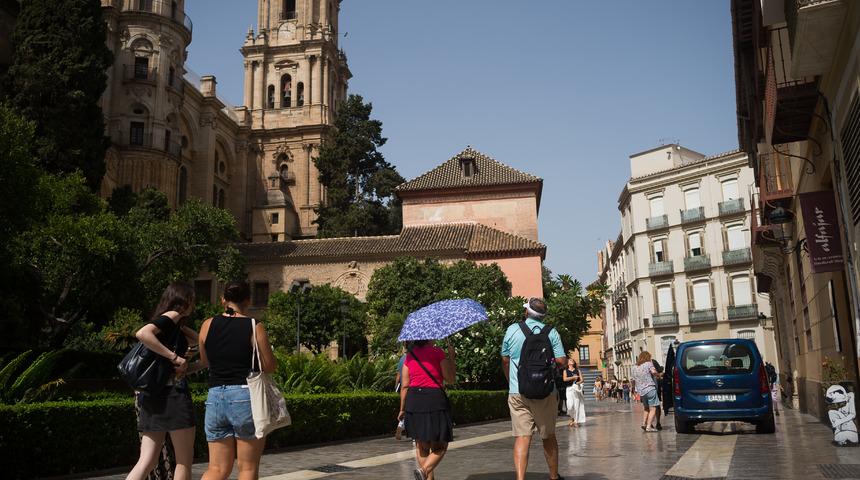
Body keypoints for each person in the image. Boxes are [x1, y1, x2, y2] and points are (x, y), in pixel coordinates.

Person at [199, 282, 277, 480]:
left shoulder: (207, 324)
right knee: (247, 468)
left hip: (215, 396)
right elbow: (269, 366)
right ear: (248, 301)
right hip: (244, 395)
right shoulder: (254, 325)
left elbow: (205, 361)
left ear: (223, 300)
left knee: (216, 469)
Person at [127, 282, 201, 480]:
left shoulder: (173, 326)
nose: (194, 304)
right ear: (183, 300)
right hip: (174, 396)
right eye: (192, 299)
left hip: (153, 396)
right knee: (184, 461)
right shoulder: (172, 316)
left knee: (147, 461)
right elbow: (142, 334)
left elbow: (198, 341)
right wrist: (175, 357)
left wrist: (197, 361)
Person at [501, 297, 567, 480]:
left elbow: (505, 359)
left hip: (517, 391)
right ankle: (553, 476)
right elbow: (562, 361)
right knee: (548, 436)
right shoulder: (551, 332)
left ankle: (520, 478)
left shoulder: (512, 330)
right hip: (545, 392)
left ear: (526, 312)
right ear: (543, 316)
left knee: (522, 437)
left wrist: (510, 381)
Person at [399, 339, 456, 480]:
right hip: (434, 400)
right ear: (429, 338)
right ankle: (423, 470)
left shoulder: (409, 356)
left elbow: (405, 385)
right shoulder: (437, 352)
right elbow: (450, 379)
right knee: (441, 445)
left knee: (422, 445)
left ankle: (424, 473)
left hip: (414, 402)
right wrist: (452, 358)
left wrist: (402, 409)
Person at [632, 351, 662, 432]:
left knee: (646, 408)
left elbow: (633, 380)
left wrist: (633, 389)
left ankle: (644, 424)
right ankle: (649, 426)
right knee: (653, 408)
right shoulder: (649, 363)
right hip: (650, 388)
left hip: (641, 391)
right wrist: (659, 376)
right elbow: (654, 372)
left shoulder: (634, 367)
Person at [563, 358, 585, 427]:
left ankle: (576, 421)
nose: (571, 360)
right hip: (569, 389)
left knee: (577, 405)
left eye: (572, 360)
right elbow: (564, 379)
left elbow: (582, 380)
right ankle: (572, 418)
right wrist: (573, 377)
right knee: (570, 406)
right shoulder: (565, 371)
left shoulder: (578, 370)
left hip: (576, 389)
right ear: (568, 363)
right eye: (569, 360)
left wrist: (578, 383)